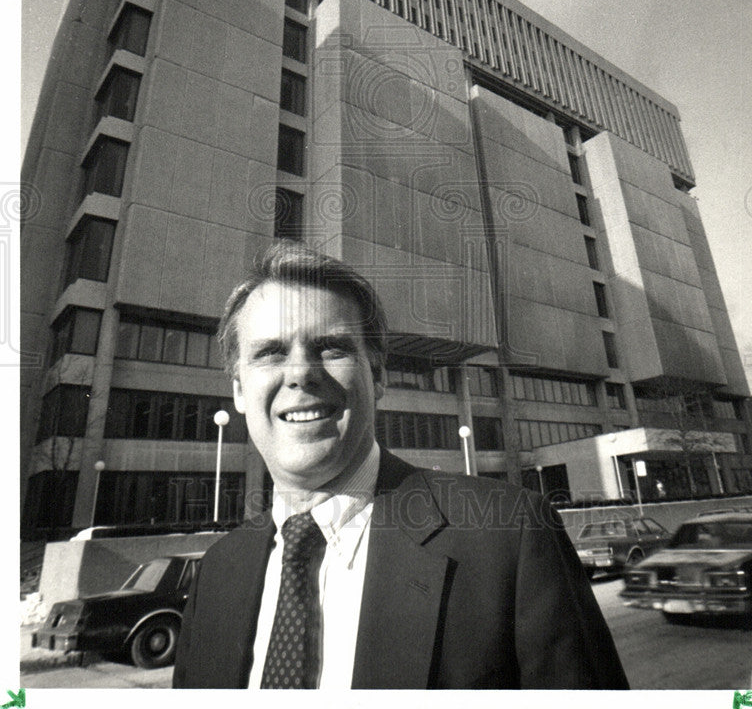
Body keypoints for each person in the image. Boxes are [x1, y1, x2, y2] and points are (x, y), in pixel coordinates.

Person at [173, 241, 628, 690]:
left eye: (331, 348)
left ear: (378, 376)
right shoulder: (216, 573)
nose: (299, 373)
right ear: (237, 391)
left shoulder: (510, 538)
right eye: (270, 352)